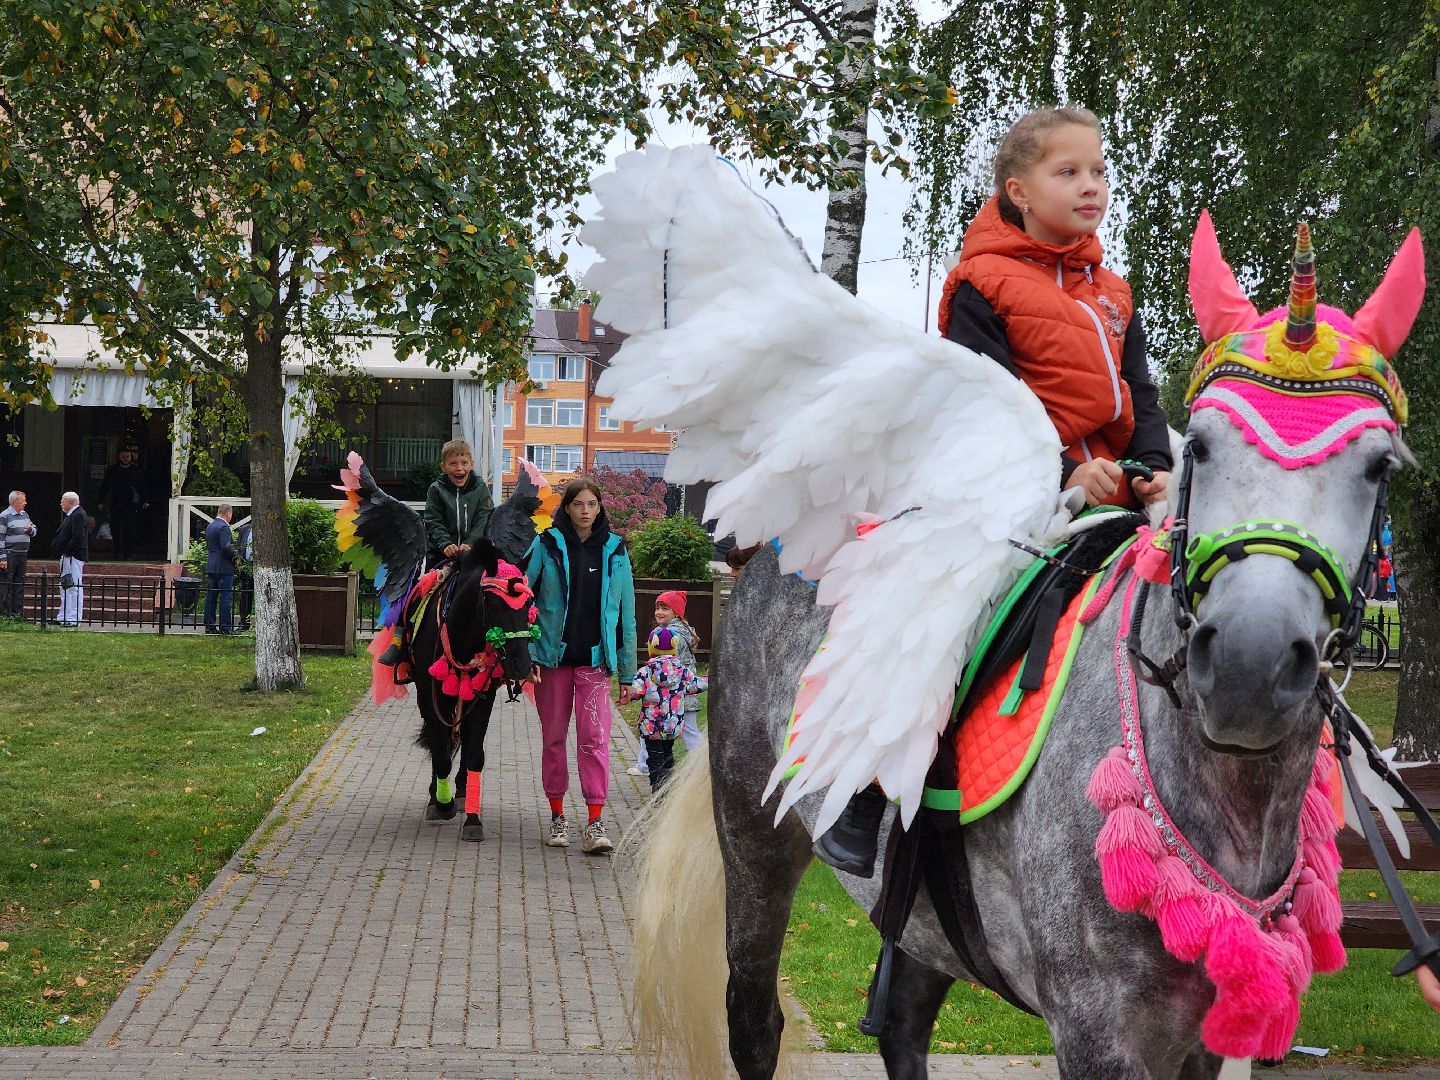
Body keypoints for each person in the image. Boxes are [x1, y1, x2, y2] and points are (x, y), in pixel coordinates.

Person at [815, 106, 1174, 877]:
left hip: (1114, 492)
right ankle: (866, 791)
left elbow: (1143, 399)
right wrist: (1061, 476)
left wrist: (1149, 466)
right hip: (1008, 490)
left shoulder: (1114, 292)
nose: (1091, 185)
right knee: (943, 610)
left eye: (1099, 170)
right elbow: (981, 410)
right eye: (1067, 171)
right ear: (1018, 190)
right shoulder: (980, 285)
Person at [525, 478, 638, 854]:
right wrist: (527, 655)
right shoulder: (546, 544)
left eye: (592, 504)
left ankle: (594, 822)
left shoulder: (616, 549)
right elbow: (522, 600)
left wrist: (627, 671)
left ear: (600, 507)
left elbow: (626, 615)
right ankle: (558, 817)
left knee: (594, 741)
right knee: (554, 739)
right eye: (579, 505)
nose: (586, 511)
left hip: (595, 664)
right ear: (568, 508)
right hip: (551, 662)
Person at [627, 590, 705, 778]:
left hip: (669, 696)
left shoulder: (669, 634)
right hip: (684, 692)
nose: (659, 612)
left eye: (665, 608)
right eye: (658, 608)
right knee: (688, 731)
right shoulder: (684, 630)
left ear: (676, 612)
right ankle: (644, 764)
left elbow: (664, 667)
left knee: (654, 729)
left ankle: (705, 764)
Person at [423, 439, 494, 566]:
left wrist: (471, 543)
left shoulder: (481, 488)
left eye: (464, 463)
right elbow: (433, 520)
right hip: (441, 554)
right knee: (427, 583)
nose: (459, 468)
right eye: (453, 463)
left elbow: (483, 519)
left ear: (471, 464)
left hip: (474, 554)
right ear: (443, 467)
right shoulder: (436, 489)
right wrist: (445, 544)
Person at [96, 442, 150, 560]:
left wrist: (145, 500)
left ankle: (127, 553)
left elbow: (142, 486)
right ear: (119, 457)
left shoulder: (136, 471)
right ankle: (116, 551)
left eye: (128, 456)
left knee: (129, 529)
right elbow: (105, 486)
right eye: (124, 456)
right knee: (114, 528)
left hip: (130, 504)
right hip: (115, 503)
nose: (126, 459)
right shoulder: (112, 470)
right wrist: (100, 500)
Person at [51, 491, 88, 626]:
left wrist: (67, 551)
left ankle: (73, 618)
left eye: (63, 500)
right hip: (67, 556)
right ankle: (63, 616)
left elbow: (78, 536)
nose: (61, 503)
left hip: (73, 556)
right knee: (65, 586)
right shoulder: (71, 514)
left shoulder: (78, 514)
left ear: (70, 502)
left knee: (73, 587)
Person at [0, 490, 37, 619]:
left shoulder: (25, 514)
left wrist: (30, 530)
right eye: (23, 500)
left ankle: (17, 613)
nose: (25, 503)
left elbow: (34, 530)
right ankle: (5, 614)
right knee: (6, 583)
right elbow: (1, 538)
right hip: (10, 554)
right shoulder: (4, 516)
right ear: (15, 502)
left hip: (22, 554)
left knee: (19, 584)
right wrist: (2, 557)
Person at [203, 504, 239, 635]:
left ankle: (209, 625)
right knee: (225, 597)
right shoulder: (224, 527)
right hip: (223, 567)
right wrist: (236, 555)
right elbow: (226, 546)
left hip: (212, 565)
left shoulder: (211, 526)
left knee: (211, 597)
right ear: (228, 514)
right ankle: (225, 627)